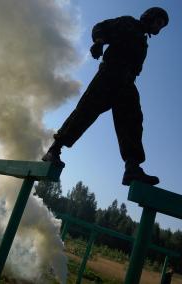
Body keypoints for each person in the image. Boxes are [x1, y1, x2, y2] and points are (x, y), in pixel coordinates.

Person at [42, 7, 169, 186]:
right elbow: (101, 26)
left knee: (132, 123)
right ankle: (54, 150)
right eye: (158, 22)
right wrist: (99, 42)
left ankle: (132, 168)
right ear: (149, 17)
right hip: (109, 75)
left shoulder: (143, 42)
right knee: (85, 112)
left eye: (161, 26)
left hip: (127, 83)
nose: (158, 27)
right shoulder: (128, 23)